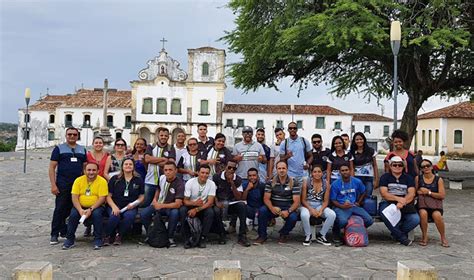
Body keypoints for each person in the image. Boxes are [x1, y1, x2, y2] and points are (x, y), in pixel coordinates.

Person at [49, 127, 87, 245]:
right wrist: (53, 185)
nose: (72, 136)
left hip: (77, 185)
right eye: (69, 134)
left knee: (72, 210)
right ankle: (54, 234)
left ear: (77, 136)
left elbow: (85, 168)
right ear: (66, 135)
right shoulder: (59, 149)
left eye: (74, 134)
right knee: (60, 208)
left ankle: (66, 231)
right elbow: (52, 167)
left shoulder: (82, 150)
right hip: (63, 183)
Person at [62, 162, 108, 250]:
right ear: (84, 171)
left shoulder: (102, 181)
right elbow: (74, 197)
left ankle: (98, 239)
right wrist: (80, 210)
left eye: (94, 170)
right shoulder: (78, 180)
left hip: (96, 206)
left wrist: (91, 209)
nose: (91, 172)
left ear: (98, 171)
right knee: (73, 215)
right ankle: (70, 239)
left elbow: (102, 198)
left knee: (97, 215)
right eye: (89, 170)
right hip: (80, 206)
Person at [254, 161, 301, 245]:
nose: (281, 170)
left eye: (283, 168)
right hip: (273, 206)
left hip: (287, 207)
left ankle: (283, 233)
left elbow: (296, 201)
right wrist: (272, 208)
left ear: (287, 169)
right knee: (262, 211)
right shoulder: (270, 181)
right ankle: (262, 235)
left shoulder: (294, 182)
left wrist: (288, 211)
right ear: (276, 170)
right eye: (279, 168)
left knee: (293, 217)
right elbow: (266, 198)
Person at [141, 161, 184, 247]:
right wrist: (154, 200)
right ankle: (151, 234)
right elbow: (158, 189)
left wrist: (161, 205)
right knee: (144, 213)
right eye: (166, 170)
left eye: (170, 170)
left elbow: (178, 204)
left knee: (175, 213)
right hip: (159, 204)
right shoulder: (161, 178)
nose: (168, 172)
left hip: (170, 206)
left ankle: (170, 237)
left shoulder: (179, 183)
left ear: (175, 171)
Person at [379, 156, 420, 246]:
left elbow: (411, 193)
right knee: (385, 213)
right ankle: (402, 238)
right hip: (388, 202)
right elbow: (384, 194)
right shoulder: (385, 177)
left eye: (400, 165)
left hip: (405, 202)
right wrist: (398, 199)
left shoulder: (408, 178)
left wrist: (403, 202)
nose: (397, 166)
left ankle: (396, 233)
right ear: (390, 166)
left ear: (403, 166)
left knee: (415, 219)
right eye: (394, 165)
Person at [330, 164, 373, 246]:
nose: (345, 172)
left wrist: (358, 202)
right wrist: (342, 206)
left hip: (353, 206)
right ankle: (336, 233)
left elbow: (363, 192)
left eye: (346, 170)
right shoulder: (335, 184)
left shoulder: (357, 181)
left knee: (369, 220)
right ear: (340, 172)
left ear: (350, 171)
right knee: (342, 222)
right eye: (342, 171)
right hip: (340, 207)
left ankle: (356, 230)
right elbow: (333, 200)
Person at [104, 158, 144, 245]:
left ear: (133, 167)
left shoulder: (138, 180)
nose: (128, 166)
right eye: (126, 164)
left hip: (130, 206)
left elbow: (141, 197)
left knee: (129, 216)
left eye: (130, 164)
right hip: (115, 204)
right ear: (122, 166)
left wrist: (134, 204)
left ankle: (119, 235)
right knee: (115, 216)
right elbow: (108, 196)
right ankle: (107, 235)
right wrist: (114, 207)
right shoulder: (114, 179)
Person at [212, 161, 251, 247]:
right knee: (216, 210)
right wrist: (217, 202)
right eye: (229, 167)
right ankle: (221, 234)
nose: (231, 170)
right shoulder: (216, 177)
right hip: (220, 202)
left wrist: (232, 184)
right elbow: (213, 192)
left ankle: (242, 235)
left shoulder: (238, 179)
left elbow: (238, 197)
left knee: (242, 206)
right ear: (225, 167)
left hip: (232, 202)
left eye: (234, 168)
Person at [180, 165, 216, 248]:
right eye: (202, 172)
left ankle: (203, 238)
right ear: (198, 173)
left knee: (210, 212)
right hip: (191, 205)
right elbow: (185, 201)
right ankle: (187, 238)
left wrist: (197, 209)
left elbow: (210, 202)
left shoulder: (211, 184)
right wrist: (195, 204)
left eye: (207, 173)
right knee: (182, 210)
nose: (204, 175)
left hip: (203, 207)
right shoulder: (190, 182)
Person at [299, 165, 336, 246]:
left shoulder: (326, 184)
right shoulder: (307, 182)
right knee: (304, 215)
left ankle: (322, 234)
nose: (317, 174)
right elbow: (303, 200)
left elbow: (326, 201)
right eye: (315, 172)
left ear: (322, 173)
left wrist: (321, 210)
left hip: (319, 204)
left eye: (319, 172)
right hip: (307, 205)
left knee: (332, 214)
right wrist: (311, 209)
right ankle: (308, 235)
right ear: (312, 173)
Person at [418, 159, 448, 247]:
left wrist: (428, 192)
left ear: (431, 167)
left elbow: (442, 195)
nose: (426, 168)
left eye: (428, 165)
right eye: (423, 167)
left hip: (435, 205)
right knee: (423, 213)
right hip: (422, 204)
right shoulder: (418, 178)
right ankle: (424, 236)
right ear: (421, 169)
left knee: (437, 215)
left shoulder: (438, 180)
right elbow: (415, 190)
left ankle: (443, 237)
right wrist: (418, 191)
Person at [143, 127, 176, 207]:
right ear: (158, 136)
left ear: (168, 137)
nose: (163, 137)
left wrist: (153, 160)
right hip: (150, 180)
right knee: (146, 203)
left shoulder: (171, 148)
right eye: (161, 135)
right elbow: (147, 159)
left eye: (165, 136)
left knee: (161, 203)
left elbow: (171, 163)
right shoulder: (151, 146)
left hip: (164, 181)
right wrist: (162, 159)